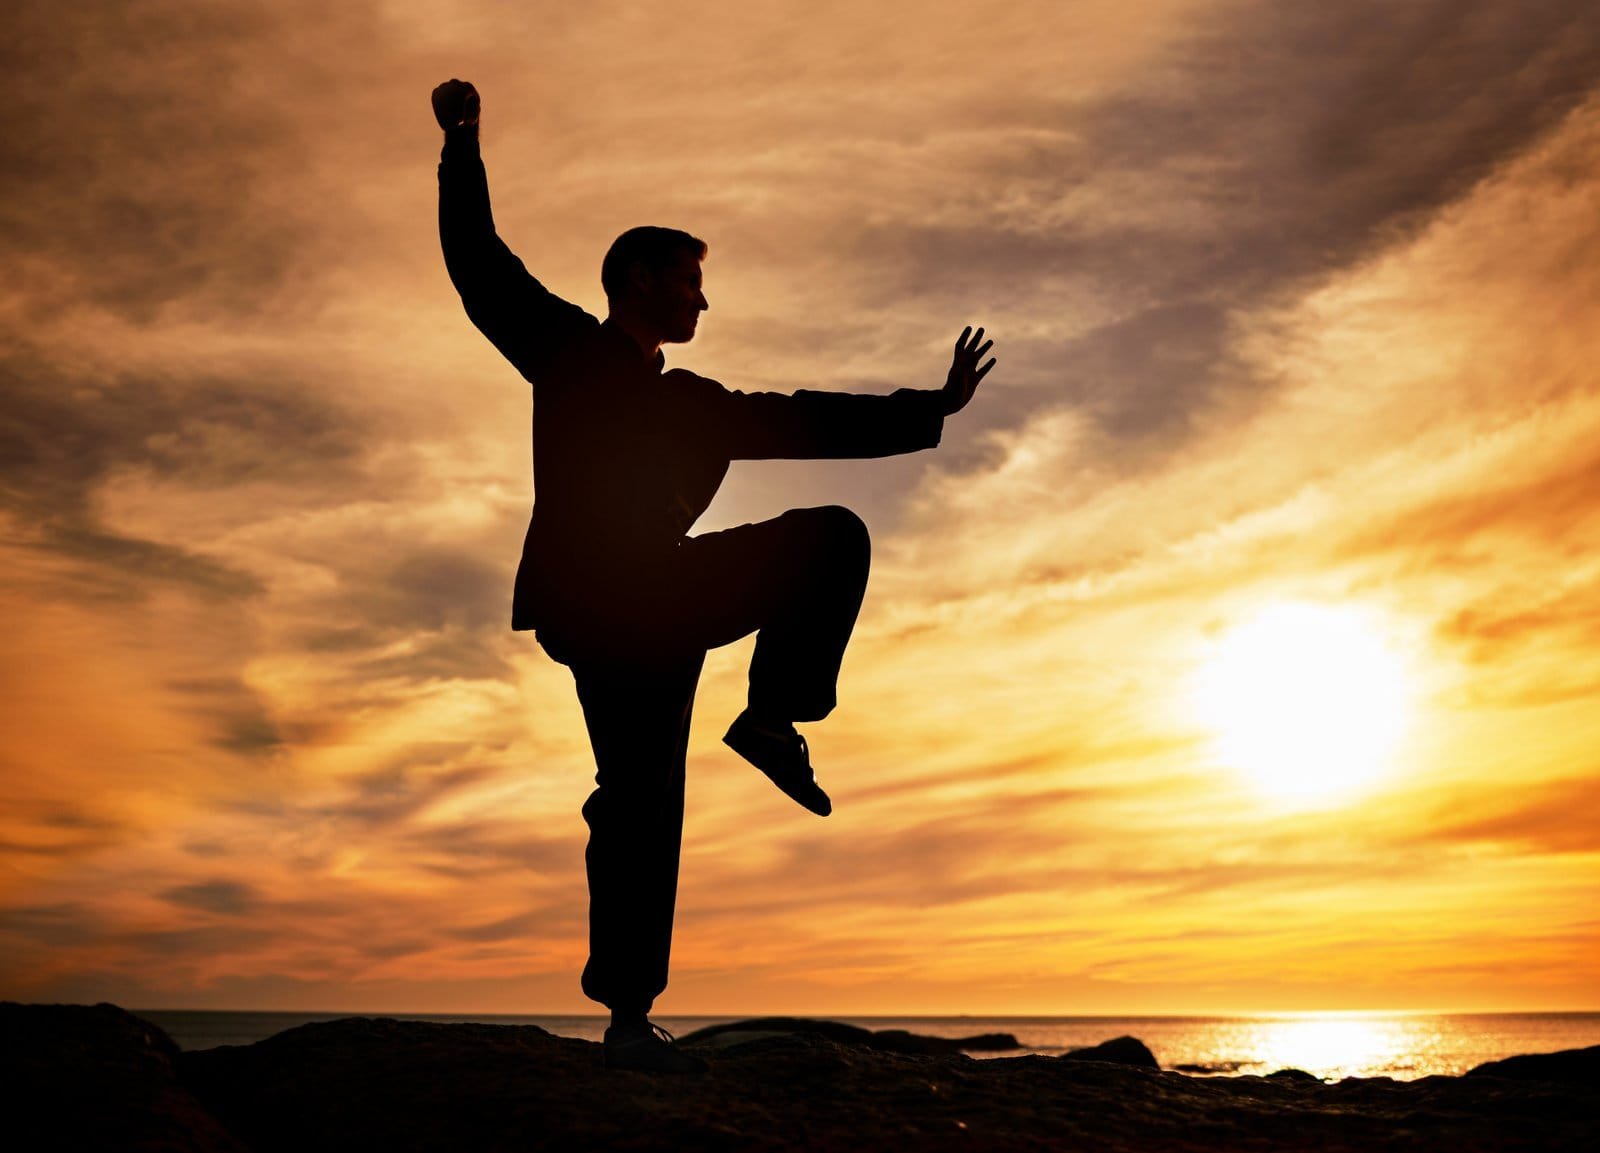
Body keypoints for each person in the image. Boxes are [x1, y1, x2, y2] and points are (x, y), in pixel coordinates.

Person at [432, 78, 994, 1073]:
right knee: (636, 796)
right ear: (642, 278)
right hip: (600, 606)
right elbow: (480, 267)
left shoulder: (696, 403)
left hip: (668, 597)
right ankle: (630, 1003)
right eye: (691, 278)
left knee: (824, 545)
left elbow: (807, 418)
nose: (703, 296)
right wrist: (462, 146)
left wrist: (930, 409)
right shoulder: (564, 351)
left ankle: (768, 726)